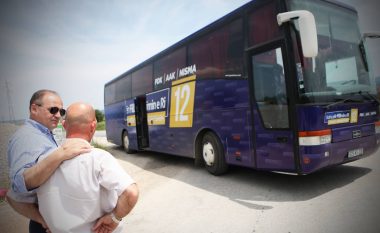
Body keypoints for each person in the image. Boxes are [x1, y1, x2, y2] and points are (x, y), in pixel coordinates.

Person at [36, 102, 139, 233]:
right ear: (93, 126)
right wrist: (114, 218)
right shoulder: (99, 158)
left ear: (64, 125)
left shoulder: (43, 161)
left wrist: (44, 221)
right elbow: (131, 193)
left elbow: (14, 197)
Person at [6, 89, 92, 233]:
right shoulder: (27, 137)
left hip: (48, 219)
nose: (58, 115)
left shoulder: (41, 134)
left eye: (61, 111)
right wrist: (60, 154)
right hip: (44, 223)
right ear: (34, 109)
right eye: (53, 110)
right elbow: (19, 183)